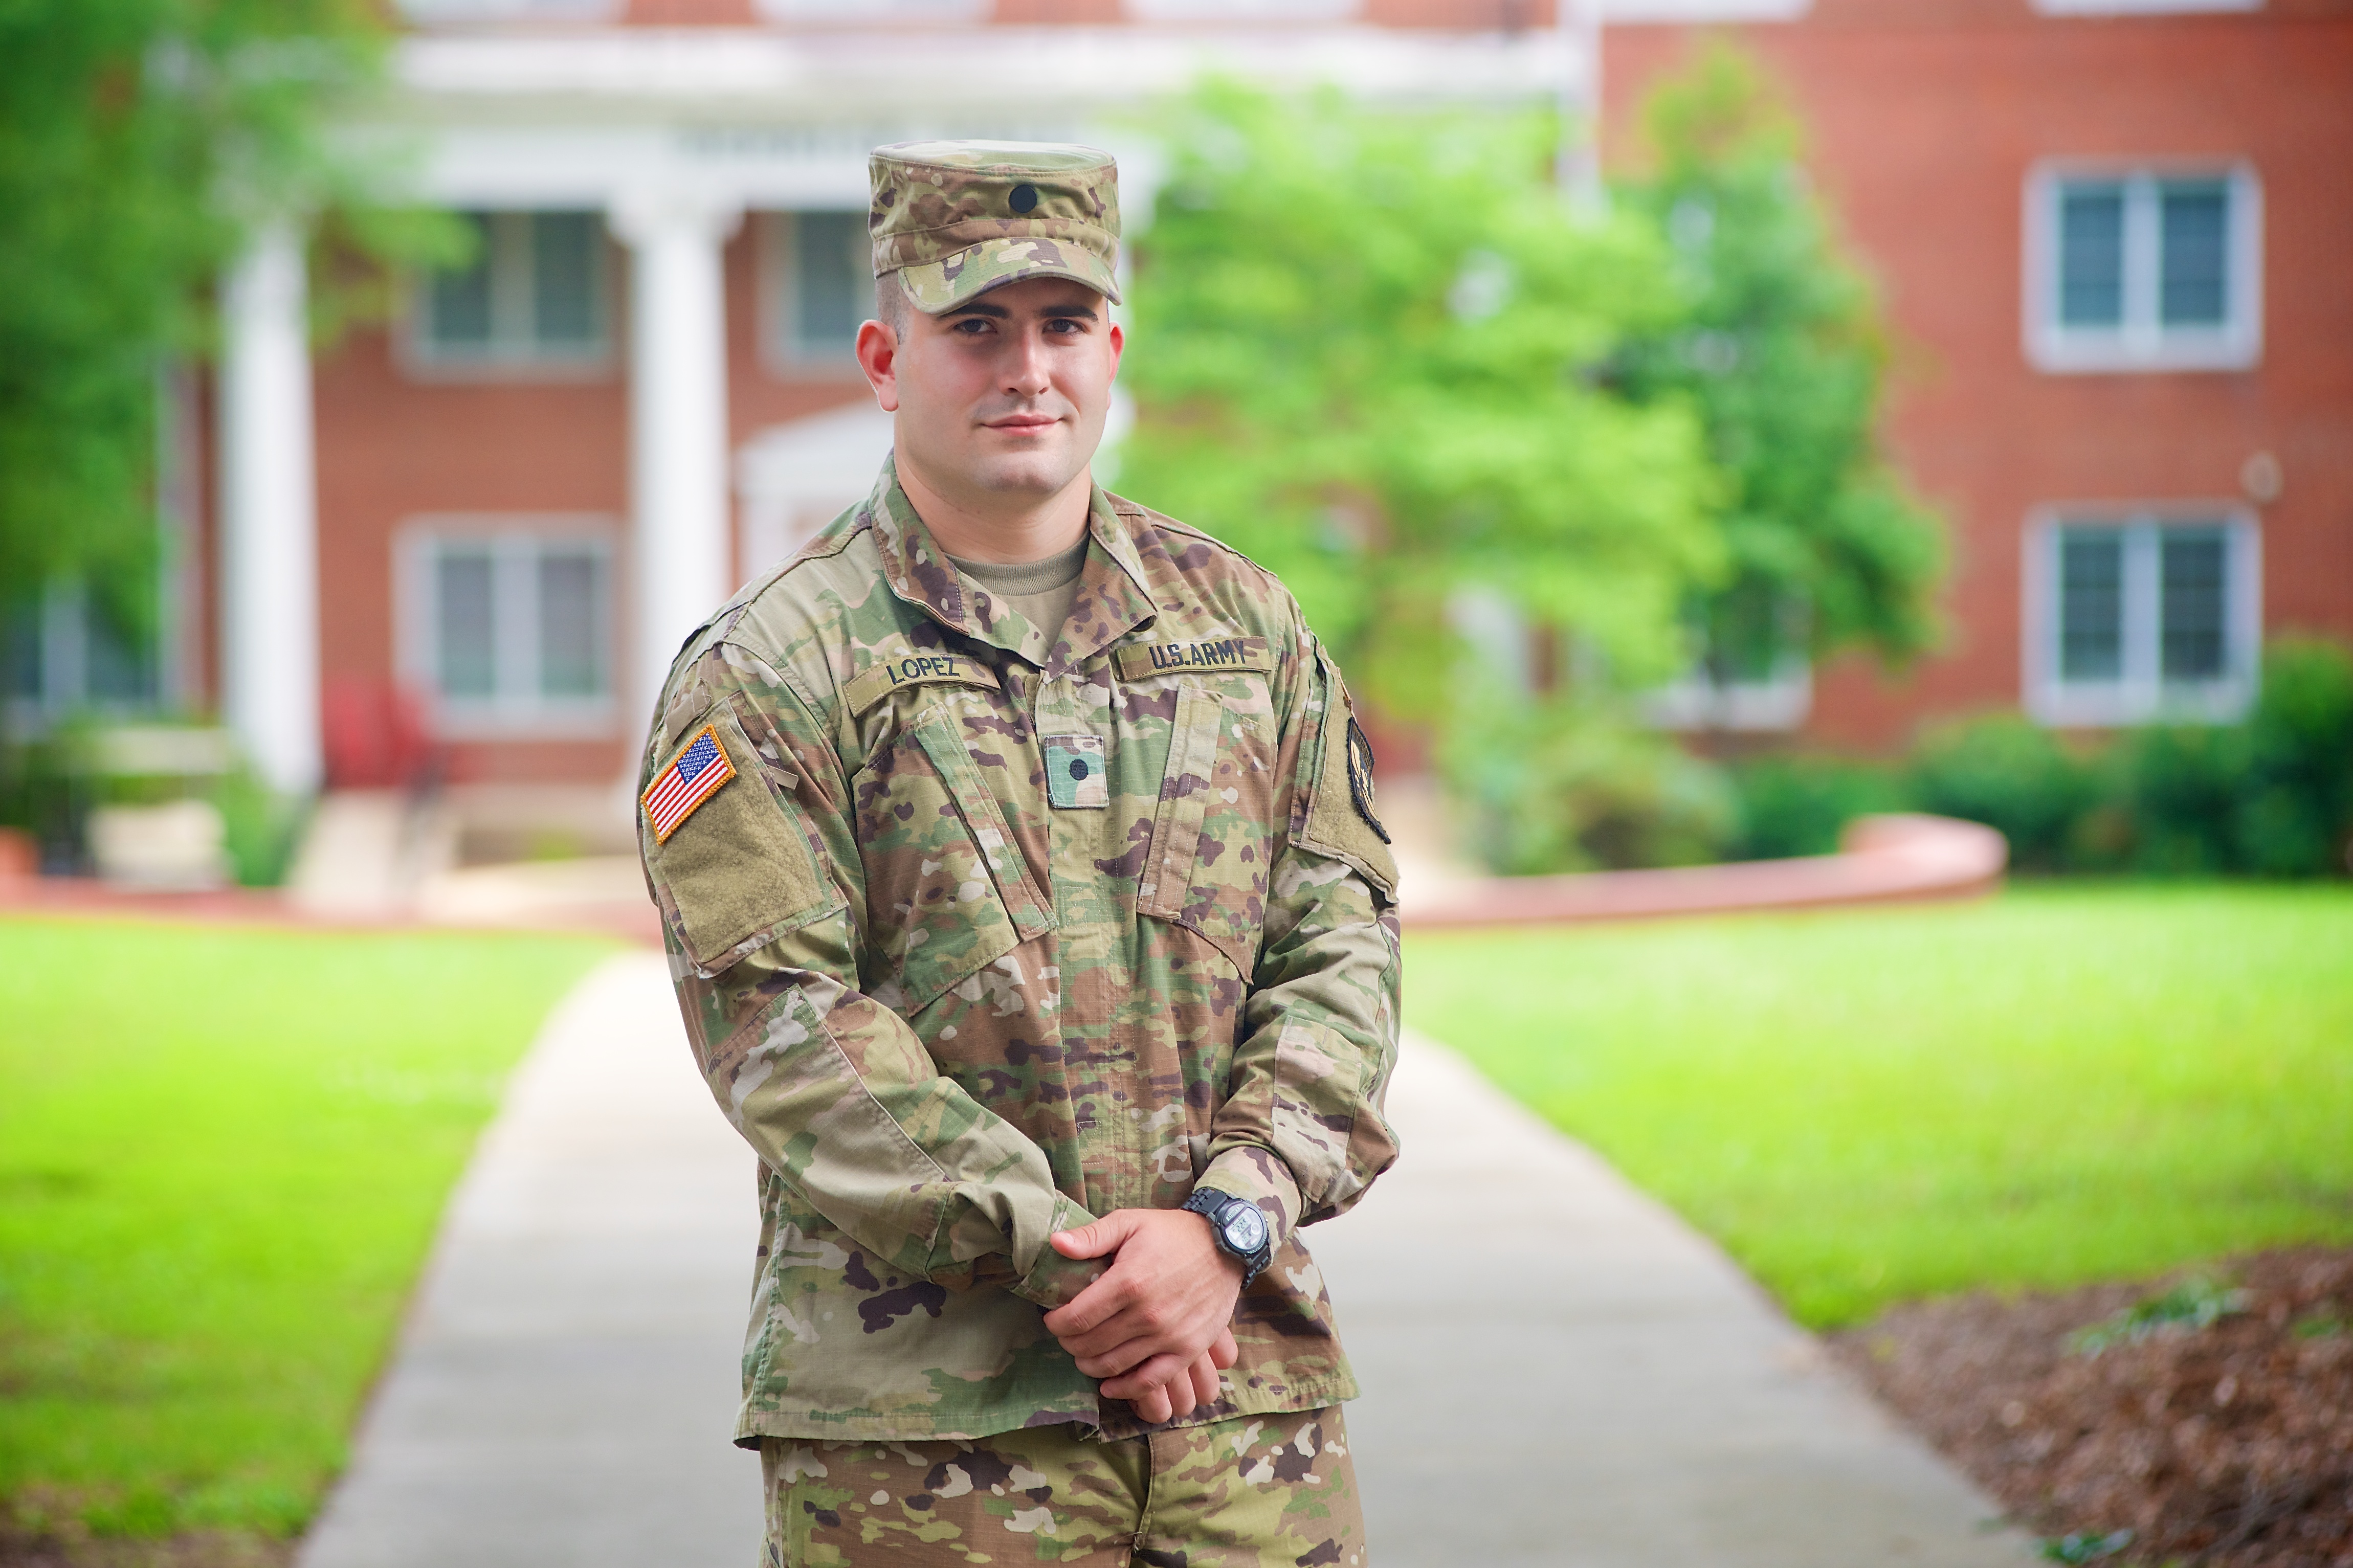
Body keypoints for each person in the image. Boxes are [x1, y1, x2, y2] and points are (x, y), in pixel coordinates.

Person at [636, 140, 1401, 1568]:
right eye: (974, 325)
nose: (1026, 367)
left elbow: (1341, 939)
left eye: (1062, 324)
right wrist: (1085, 1260)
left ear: (1114, 346)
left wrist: (1224, 1225)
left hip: (1244, 1417)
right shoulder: (771, 671)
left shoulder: (1245, 629)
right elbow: (784, 1027)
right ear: (883, 355)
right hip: (929, 1442)